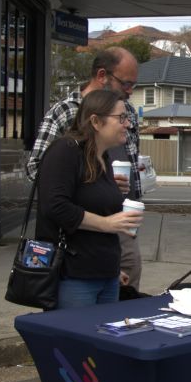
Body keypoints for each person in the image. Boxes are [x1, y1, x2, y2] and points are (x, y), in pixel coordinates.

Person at [35, 89, 143, 382]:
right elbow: (55, 206)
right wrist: (108, 223)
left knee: (95, 370)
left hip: (105, 275)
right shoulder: (66, 151)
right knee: (65, 370)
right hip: (73, 276)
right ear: (95, 121)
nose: (127, 125)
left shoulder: (106, 157)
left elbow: (100, 209)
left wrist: (115, 266)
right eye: (121, 118)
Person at [27, 46, 144, 291]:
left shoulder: (128, 111)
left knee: (126, 285)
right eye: (125, 83)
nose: (130, 91)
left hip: (119, 222)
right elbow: (37, 169)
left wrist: (121, 186)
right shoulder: (65, 112)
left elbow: (131, 160)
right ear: (102, 75)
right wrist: (92, 185)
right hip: (77, 236)